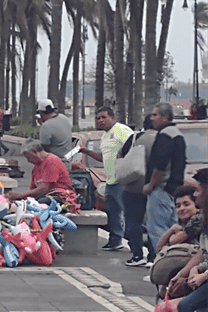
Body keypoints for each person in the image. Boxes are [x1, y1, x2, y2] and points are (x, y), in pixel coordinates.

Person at [166, 169, 208, 312]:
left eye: (199, 190)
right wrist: (185, 273)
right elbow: (203, 252)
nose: (196, 194)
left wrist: (202, 276)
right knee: (185, 306)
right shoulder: (203, 218)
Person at [80, 106, 133, 250]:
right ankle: (115, 240)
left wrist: (123, 157)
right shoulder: (105, 136)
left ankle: (125, 241)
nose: (100, 120)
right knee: (113, 211)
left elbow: (135, 147)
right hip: (110, 179)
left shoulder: (121, 130)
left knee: (123, 211)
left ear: (113, 118)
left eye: (104, 117)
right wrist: (88, 152)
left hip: (123, 178)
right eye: (98, 118)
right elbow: (103, 158)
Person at [143, 102, 187, 255]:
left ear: (165, 117)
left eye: (156, 115)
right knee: (172, 229)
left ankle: (160, 262)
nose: (152, 118)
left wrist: (150, 184)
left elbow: (160, 164)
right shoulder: (177, 134)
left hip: (161, 188)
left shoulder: (165, 135)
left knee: (157, 230)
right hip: (174, 189)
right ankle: (173, 262)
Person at [119, 114, 157, 267]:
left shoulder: (135, 138)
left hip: (133, 186)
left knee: (133, 222)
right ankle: (153, 256)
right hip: (155, 188)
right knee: (154, 222)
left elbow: (120, 155)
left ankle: (137, 255)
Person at [7, 139, 80, 212]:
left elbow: (44, 189)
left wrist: (20, 195)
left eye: (29, 157)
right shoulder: (36, 167)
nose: (28, 161)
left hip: (61, 197)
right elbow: (33, 190)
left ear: (35, 152)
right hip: (45, 196)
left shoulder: (51, 161)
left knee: (41, 203)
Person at [157, 185, 202, 249]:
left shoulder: (199, 219)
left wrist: (173, 232)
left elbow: (174, 241)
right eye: (178, 206)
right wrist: (172, 230)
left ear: (197, 205)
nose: (181, 208)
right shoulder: (183, 223)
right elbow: (159, 247)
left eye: (186, 204)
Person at [37, 99, 73, 166]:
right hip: (67, 163)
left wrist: (42, 125)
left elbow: (45, 148)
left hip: (54, 164)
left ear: (41, 113)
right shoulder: (64, 118)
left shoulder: (45, 126)